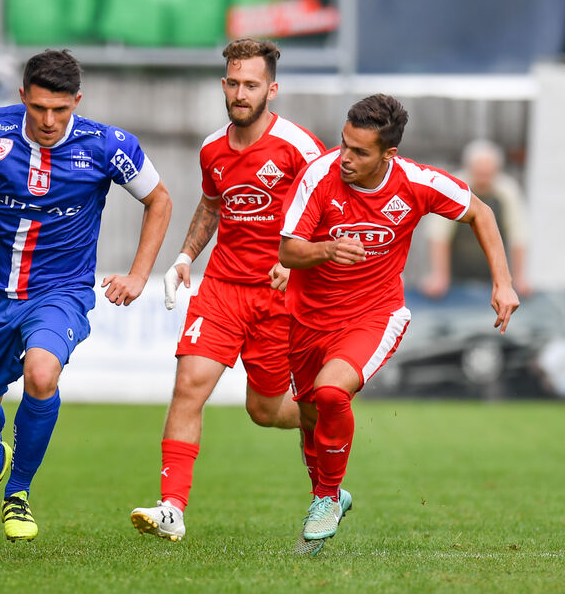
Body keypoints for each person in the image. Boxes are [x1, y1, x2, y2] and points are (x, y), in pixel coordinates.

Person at [0, 49, 172, 542]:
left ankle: (18, 493)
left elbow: (159, 199)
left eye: (61, 110)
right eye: (38, 109)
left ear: (77, 101)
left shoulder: (107, 146)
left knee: (42, 370)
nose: (49, 121)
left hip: (61, 291)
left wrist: (139, 276)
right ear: (22, 98)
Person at [279, 94, 519, 555]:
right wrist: (328, 248)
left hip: (375, 313)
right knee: (310, 414)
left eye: (360, 151)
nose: (345, 158)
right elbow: (289, 251)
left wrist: (503, 284)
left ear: (389, 154)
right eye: (344, 144)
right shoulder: (319, 175)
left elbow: (481, 213)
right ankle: (328, 494)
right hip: (308, 318)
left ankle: (326, 498)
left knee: (332, 392)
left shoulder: (415, 182)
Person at [130, 38, 325, 541]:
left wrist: (298, 264)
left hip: (281, 297)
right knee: (188, 386)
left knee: (263, 410)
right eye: (234, 84)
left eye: (251, 85)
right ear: (224, 85)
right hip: (221, 288)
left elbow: (329, 209)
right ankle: (172, 507)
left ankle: (320, 421)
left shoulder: (300, 148)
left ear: (272, 90)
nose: (241, 93)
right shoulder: (212, 148)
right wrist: (183, 257)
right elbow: (212, 205)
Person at [421, 138, 532, 298]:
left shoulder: (508, 192)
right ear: (469, 168)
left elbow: (518, 235)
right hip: (456, 273)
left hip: (493, 275)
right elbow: (439, 234)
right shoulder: (453, 188)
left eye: (488, 173)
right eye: (479, 173)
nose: (483, 178)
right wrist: (439, 275)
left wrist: (519, 277)